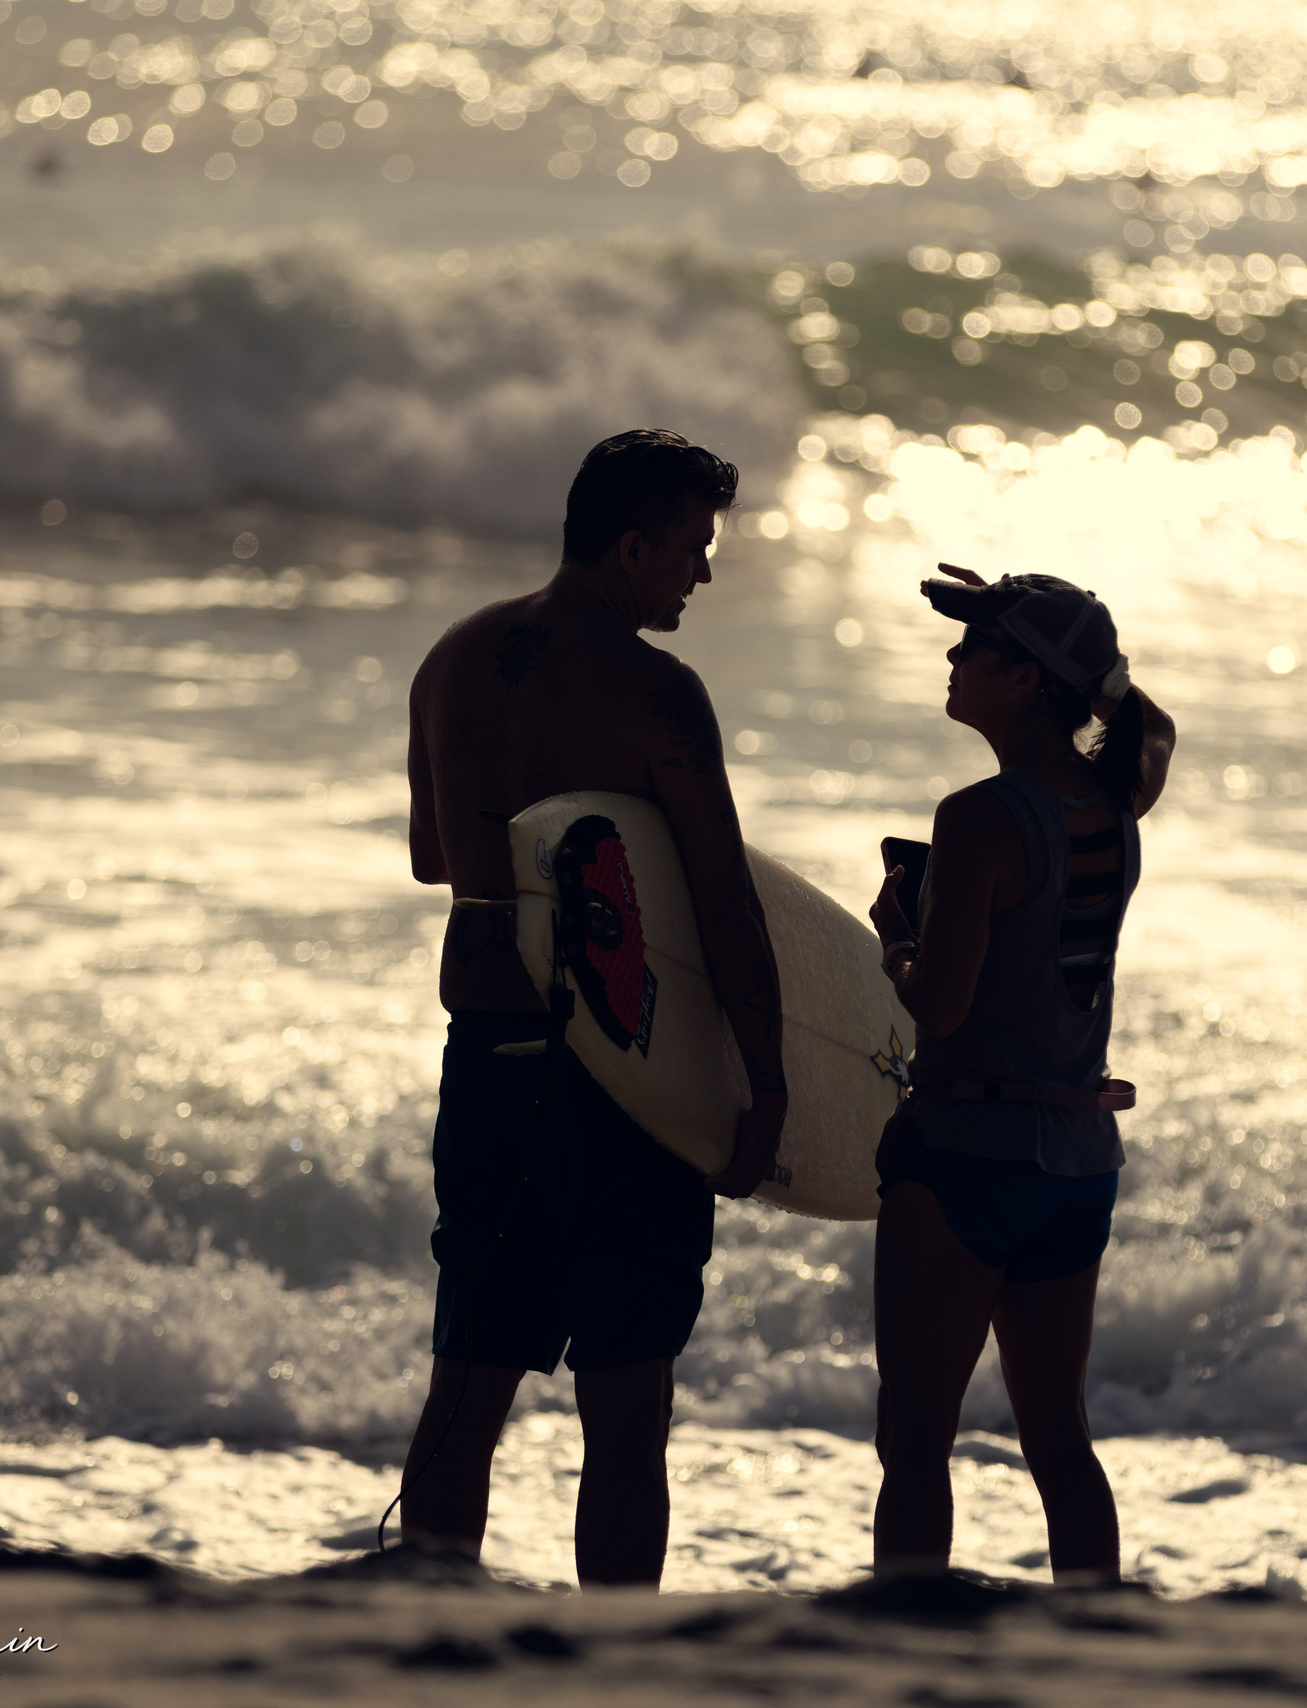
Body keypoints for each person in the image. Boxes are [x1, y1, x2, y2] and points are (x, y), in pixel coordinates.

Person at [394, 429, 789, 1589]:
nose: (701, 574)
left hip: (491, 1053)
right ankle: (615, 1659)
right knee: (625, 1408)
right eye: (691, 548)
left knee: (467, 1385)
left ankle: (421, 1635)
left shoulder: (454, 659)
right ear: (632, 547)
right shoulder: (658, 695)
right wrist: (768, 1086)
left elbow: (435, 858)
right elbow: (719, 898)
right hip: (625, 1072)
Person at [865, 565, 1176, 1585]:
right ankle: (1095, 1633)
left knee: (916, 1441)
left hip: (967, 1156)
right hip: (1076, 1165)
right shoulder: (1118, 794)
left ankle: (910, 1637)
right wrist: (1068, 633)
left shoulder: (982, 818)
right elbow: (1150, 727)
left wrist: (896, 938)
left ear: (1026, 684)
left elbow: (938, 1005)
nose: (952, 659)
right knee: (1059, 1440)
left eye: (977, 647)